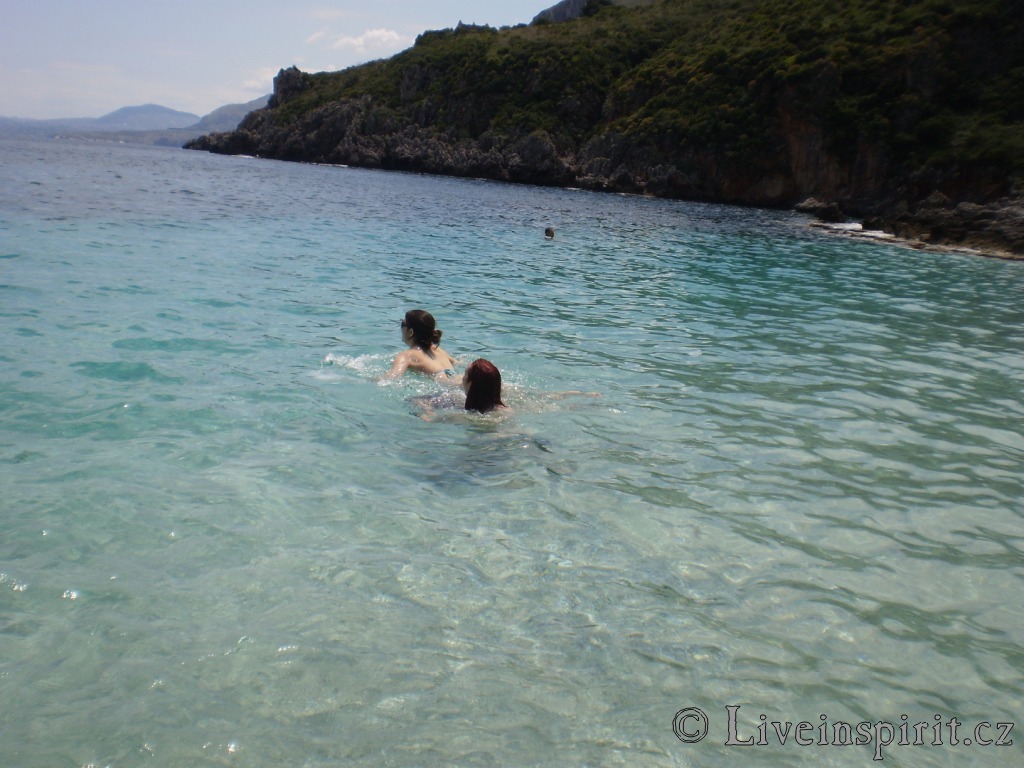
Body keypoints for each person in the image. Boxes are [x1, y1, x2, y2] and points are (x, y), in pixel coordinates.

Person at [386, 309, 459, 380]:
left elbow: (392, 378)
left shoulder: (406, 355)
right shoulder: (436, 349)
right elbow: (458, 363)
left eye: (403, 324)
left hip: (445, 386)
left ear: (411, 332)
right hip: (458, 380)